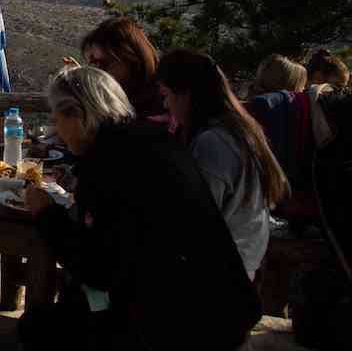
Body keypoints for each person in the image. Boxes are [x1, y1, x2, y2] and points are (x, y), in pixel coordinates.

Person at [19, 65, 261, 351]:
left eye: (57, 119)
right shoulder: (153, 141)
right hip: (223, 308)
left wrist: (47, 214)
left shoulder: (109, 162)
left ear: (78, 114)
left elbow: (97, 268)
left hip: (180, 325)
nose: (56, 130)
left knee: (38, 328)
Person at [156, 49, 289, 277]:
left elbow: (196, 219)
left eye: (166, 95)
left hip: (219, 276)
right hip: (239, 267)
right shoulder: (239, 130)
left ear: (186, 93)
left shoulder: (212, 143)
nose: (166, 105)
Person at [74, 16, 164, 121]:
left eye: (104, 64)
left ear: (131, 58)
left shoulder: (164, 106)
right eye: (94, 64)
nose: (99, 73)